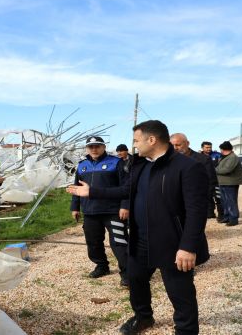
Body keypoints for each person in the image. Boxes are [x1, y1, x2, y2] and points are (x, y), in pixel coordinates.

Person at [68, 120, 209, 334]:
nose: (134, 145)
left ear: (151, 140)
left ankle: (186, 330)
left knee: (180, 292)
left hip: (173, 242)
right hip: (141, 239)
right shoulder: (141, 164)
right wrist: (93, 192)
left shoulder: (187, 167)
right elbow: (126, 191)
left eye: (136, 140)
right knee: (135, 280)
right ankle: (143, 318)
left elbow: (197, 211)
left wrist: (188, 246)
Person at [68, 136, 130, 284]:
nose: (94, 149)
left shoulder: (116, 163)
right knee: (93, 242)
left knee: (119, 243)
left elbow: (127, 187)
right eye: (91, 147)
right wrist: (75, 207)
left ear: (103, 147)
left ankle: (128, 273)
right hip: (90, 211)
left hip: (113, 211)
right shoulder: (82, 166)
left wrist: (125, 205)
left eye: (97, 146)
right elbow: (77, 188)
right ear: (87, 149)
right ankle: (101, 266)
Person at [171, 134, 219, 221]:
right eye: (172, 145)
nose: (175, 148)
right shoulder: (169, 160)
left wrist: (204, 200)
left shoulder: (203, 159)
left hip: (195, 202)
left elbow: (211, 180)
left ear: (187, 143)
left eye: (178, 145)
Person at [215, 141, 242, 226]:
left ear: (224, 149)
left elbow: (227, 169)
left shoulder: (232, 157)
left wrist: (214, 170)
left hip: (230, 183)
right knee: (225, 201)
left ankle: (233, 219)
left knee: (231, 201)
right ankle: (227, 217)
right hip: (224, 182)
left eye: (221, 149)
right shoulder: (225, 157)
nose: (220, 151)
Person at [201, 141, 224, 220]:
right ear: (202, 148)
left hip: (217, 181)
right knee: (207, 198)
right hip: (204, 182)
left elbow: (222, 165)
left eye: (210, 147)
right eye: (207, 147)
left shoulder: (217, 155)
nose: (208, 149)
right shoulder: (199, 156)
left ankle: (221, 215)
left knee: (219, 198)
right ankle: (210, 213)